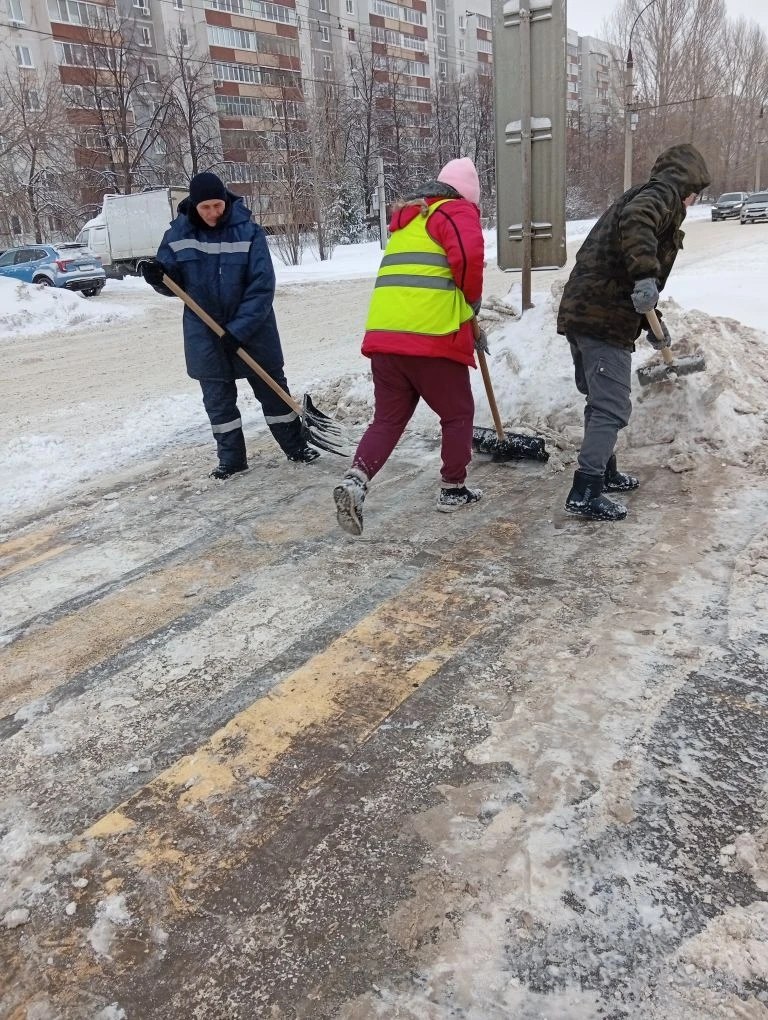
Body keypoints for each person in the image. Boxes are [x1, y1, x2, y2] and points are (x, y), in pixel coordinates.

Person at [332, 157, 487, 536]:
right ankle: (453, 488)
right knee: (457, 414)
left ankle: (356, 480)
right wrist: (471, 304)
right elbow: (468, 259)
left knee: (387, 420)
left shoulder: (410, 220)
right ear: (467, 195)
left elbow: (424, 277)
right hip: (430, 338)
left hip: (386, 340)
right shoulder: (454, 211)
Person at [556, 143, 711, 521]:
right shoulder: (662, 196)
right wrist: (645, 277)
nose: (692, 201)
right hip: (602, 318)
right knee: (611, 405)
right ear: (687, 184)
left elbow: (623, 270)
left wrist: (651, 321)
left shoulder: (645, 194)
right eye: (695, 192)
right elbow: (638, 227)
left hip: (586, 311)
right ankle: (586, 489)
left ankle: (604, 472)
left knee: (599, 400)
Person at [142, 172, 318, 479]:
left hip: (253, 330)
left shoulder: (248, 231)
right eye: (206, 207)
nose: (213, 213)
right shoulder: (177, 236)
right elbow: (172, 282)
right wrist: (158, 276)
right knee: (218, 402)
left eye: (218, 205)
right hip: (204, 332)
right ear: (194, 206)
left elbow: (262, 287)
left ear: (226, 200)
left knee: (274, 393)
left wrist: (239, 329)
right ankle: (232, 461)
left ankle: (296, 446)